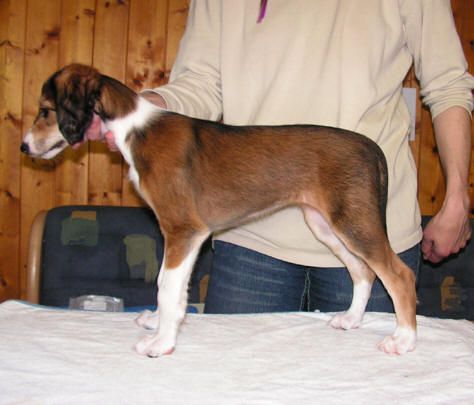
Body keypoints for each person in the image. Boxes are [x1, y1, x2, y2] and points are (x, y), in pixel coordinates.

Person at [84, 0, 473, 314]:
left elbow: (448, 84)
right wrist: (142, 110)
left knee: (368, 380)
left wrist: (457, 197)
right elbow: (200, 84)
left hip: (366, 225)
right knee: (237, 380)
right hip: (250, 236)